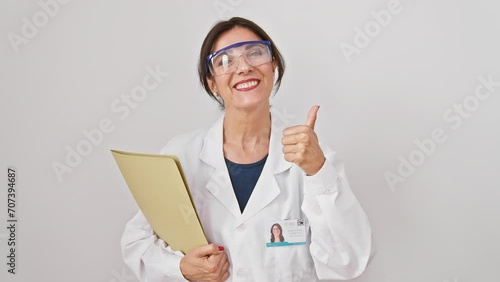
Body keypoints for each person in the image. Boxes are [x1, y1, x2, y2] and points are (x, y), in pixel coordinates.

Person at [121, 17, 372, 281]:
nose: (244, 67)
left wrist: (318, 172)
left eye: (255, 53)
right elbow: (136, 242)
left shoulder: (311, 159)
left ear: (273, 65)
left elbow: (349, 263)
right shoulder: (181, 155)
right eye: (225, 60)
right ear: (212, 83)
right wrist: (180, 268)